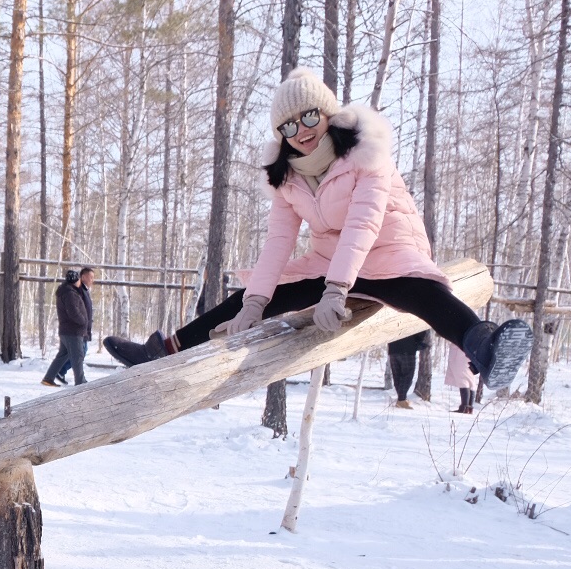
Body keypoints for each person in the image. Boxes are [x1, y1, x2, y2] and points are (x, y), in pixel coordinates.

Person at [101, 69, 533, 391]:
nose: (301, 132)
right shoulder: (287, 176)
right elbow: (278, 242)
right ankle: (165, 349)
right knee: (260, 293)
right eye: (287, 127)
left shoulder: (367, 154)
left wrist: (335, 290)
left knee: (423, 294)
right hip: (330, 260)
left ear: (328, 113)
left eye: (308, 117)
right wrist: (253, 305)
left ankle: (485, 346)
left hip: (387, 247)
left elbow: (364, 224)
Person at [42, 267, 96, 387]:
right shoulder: (70, 293)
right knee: (78, 356)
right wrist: (83, 322)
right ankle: (80, 381)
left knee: (63, 355)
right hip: (73, 330)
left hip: (67, 330)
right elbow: (73, 312)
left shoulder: (68, 291)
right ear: (75, 280)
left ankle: (49, 377)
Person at [386, 330, 429, 410]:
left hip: (393, 348)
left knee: (397, 376)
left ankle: (401, 399)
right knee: (407, 376)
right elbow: (421, 331)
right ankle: (401, 400)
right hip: (407, 348)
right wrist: (418, 341)